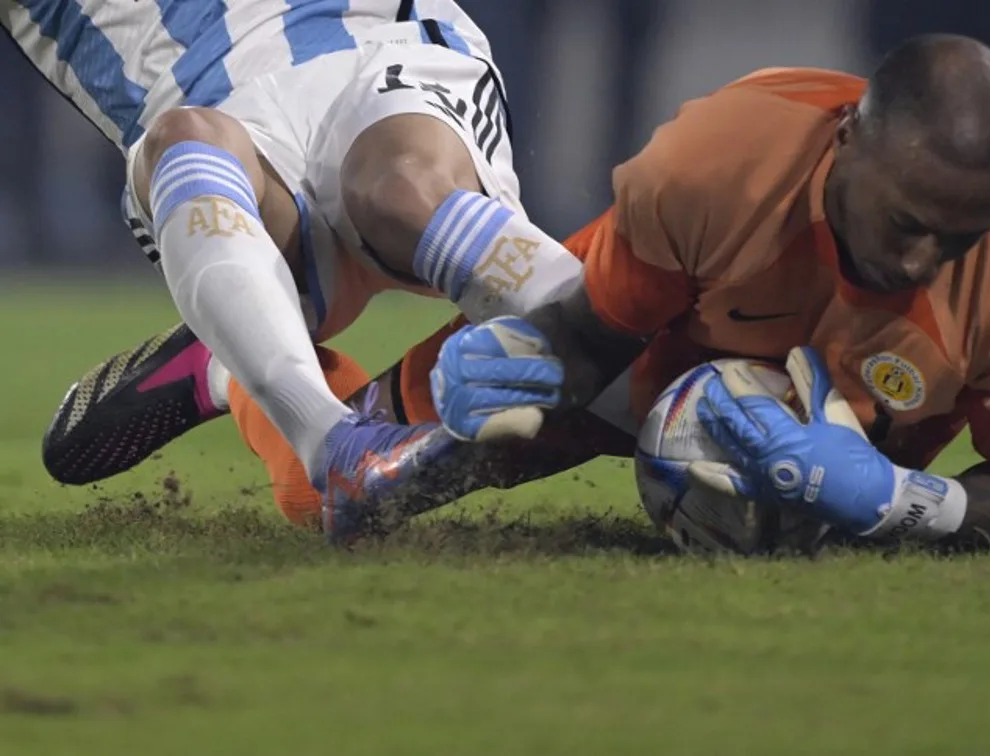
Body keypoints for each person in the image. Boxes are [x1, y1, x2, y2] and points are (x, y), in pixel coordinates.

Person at [47, 35, 990, 553]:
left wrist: (907, 501)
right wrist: (544, 365)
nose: (922, 260)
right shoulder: (718, 163)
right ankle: (235, 369)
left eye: (954, 235)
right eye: (903, 221)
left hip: (832, 424)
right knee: (339, 498)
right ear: (844, 147)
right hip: (658, 339)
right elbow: (601, 332)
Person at [13, 1, 590, 538]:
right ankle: (334, 446)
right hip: (213, 125)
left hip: (380, 47)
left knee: (402, 190)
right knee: (182, 138)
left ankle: (234, 355)